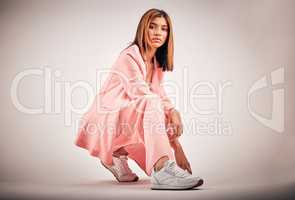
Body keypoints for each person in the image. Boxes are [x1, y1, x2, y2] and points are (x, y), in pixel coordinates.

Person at [75, 8, 204, 190]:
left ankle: (120, 154)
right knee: (152, 105)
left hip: (126, 118)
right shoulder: (129, 56)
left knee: (153, 139)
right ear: (143, 29)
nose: (158, 33)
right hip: (107, 119)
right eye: (152, 27)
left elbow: (159, 93)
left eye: (164, 29)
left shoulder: (156, 62)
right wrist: (175, 146)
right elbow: (141, 94)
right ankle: (162, 171)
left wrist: (174, 112)